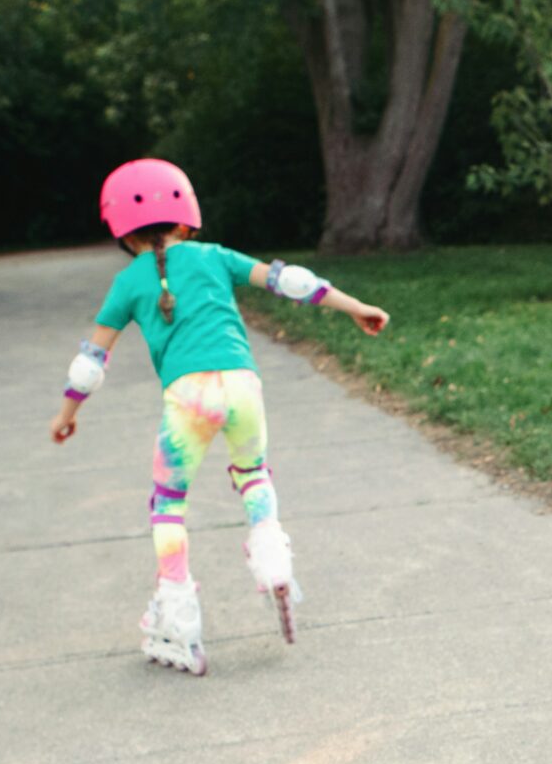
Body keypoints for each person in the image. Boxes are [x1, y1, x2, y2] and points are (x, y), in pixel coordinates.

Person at [50, 158, 389, 675]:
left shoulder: (127, 283)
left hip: (188, 398)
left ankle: (178, 611)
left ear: (120, 231)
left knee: (168, 503)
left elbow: (89, 364)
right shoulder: (214, 256)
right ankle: (271, 550)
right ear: (187, 218)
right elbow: (289, 281)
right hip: (243, 386)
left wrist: (66, 413)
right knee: (253, 474)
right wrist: (356, 305)